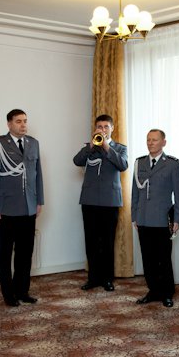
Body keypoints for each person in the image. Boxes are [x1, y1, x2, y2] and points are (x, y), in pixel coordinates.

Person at [0, 109, 43, 306]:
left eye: (25, 121)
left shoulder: (33, 143)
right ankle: (8, 294)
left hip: (28, 206)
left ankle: (22, 291)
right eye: (18, 121)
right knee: (5, 254)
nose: (23, 124)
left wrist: (39, 200)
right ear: (9, 124)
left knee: (25, 253)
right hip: (7, 208)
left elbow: (38, 174)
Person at [73, 114, 128, 291]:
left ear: (112, 129)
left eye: (105, 127)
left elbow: (123, 165)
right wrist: (91, 146)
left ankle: (107, 279)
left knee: (107, 242)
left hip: (110, 201)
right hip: (89, 200)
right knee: (91, 241)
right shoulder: (89, 147)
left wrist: (106, 146)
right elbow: (77, 161)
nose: (102, 130)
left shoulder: (120, 148)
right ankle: (93, 278)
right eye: (99, 127)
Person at [132, 129, 179, 307]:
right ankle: (153, 290)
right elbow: (135, 192)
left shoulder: (172, 164)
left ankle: (167, 293)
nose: (150, 143)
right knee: (148, 258)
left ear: (164, 142)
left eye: (154, 140)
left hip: (163, 219)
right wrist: (134, 216)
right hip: (143, 218)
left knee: (163, 258)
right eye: (148, 140)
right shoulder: (139, 163)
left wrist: (177, 219)